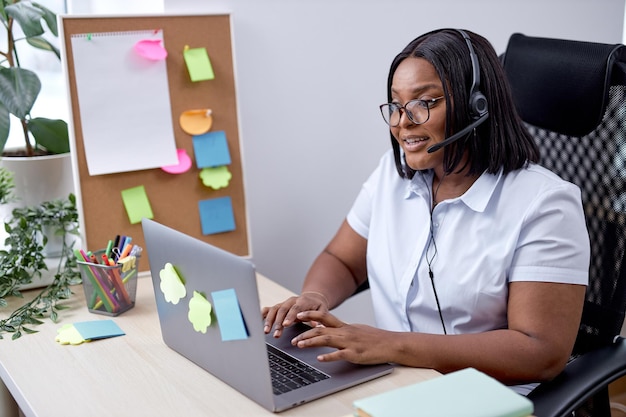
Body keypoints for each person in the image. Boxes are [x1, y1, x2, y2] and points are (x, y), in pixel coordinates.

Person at [262, 28, 590, 394]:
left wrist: (392, 345)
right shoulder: (393, 172)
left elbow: (539, 351)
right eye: (396, 105)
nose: (402, 122)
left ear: (476, 105)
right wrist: (315, 297)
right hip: (395, 379)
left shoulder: (545, 205)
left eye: (423, 103)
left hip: (484, 396)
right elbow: (342, 259)